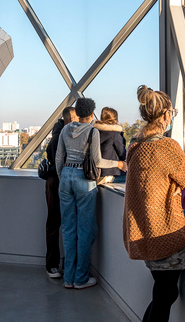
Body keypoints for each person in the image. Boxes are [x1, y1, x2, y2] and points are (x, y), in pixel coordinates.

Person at [123, 86, 185, 322]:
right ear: (165, 115)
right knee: (165, 294)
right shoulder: (166, 147)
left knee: (163, 293)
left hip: (145, 231)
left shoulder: (135, 146)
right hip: (165, 234)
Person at [56, 97, 126, 289]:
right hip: (84, 181)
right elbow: (97, 161)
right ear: (92, 113)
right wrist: (119, 164)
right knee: (85, 230)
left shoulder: (65, 129)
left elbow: (58, 158)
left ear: (77, 112)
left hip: (66, 178)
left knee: (68, 230)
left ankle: (68, 278)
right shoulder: (92, 131)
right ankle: (80, 279)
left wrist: (63, 177)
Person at [43, 106, 77, 279]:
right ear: (70, 118)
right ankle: (53, 265)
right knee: (56, 223)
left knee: (55, 223)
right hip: (57, 183)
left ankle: (55, 264)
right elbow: (60, 163)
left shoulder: (59, 133)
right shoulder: (60, 136)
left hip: (56, 182)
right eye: (77, 117)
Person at [93, 107, 127, 185]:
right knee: (131, 178)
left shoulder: (95, 132)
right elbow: (122, 154)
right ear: (115, 120)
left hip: (97, 173)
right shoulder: (114, 134)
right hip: (110, 173)